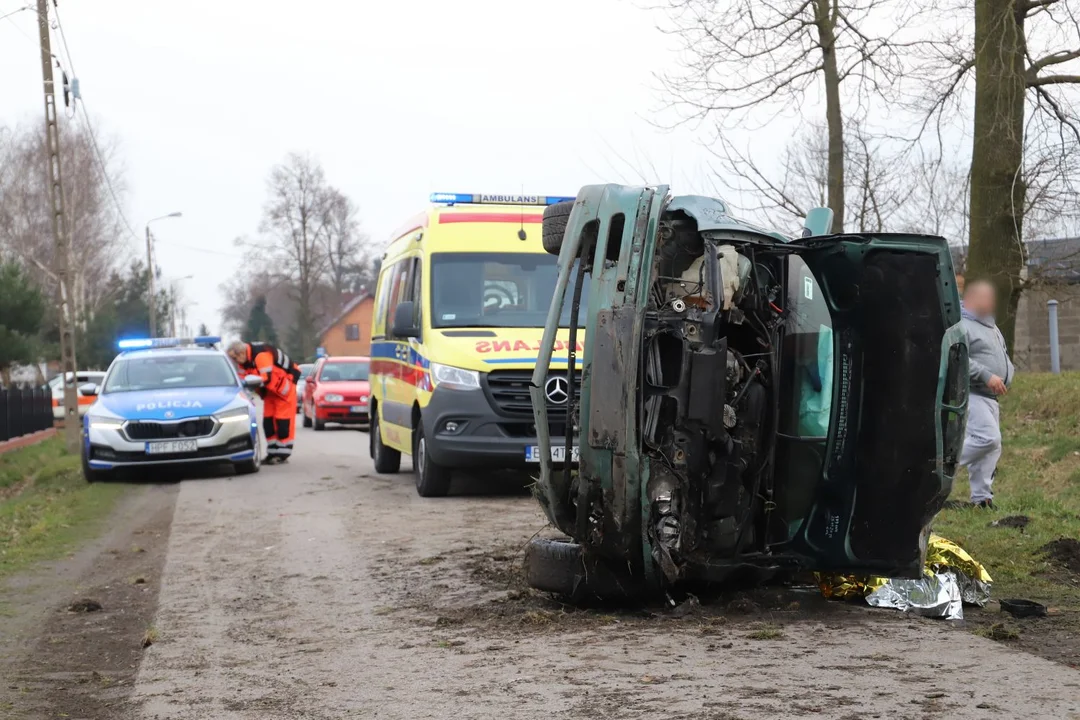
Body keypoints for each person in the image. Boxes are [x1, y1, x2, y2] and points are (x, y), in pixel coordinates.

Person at [959, 280, 1014, 509]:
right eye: (985, 297)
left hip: (991, 397)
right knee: (988, 439)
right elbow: (958, 357)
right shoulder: (961, 325)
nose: (991, 303)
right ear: (971, 299)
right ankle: (939, 467)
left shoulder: (991, 325)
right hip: (973, 393)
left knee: (993, 448)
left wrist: (1008, 372)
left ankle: (982, 498)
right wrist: (986, 376)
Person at [227, 341, 301, 464]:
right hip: (270, 393)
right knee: (268, 423)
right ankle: (272, 452)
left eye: (235, 358)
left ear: (241, 353)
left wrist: (251, 384)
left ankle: (282, 453)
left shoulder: (261, 355)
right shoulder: (243, 363)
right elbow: (242, 381)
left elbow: (265, 378)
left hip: (284, 391)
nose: (235, 361)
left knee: (282, 422)